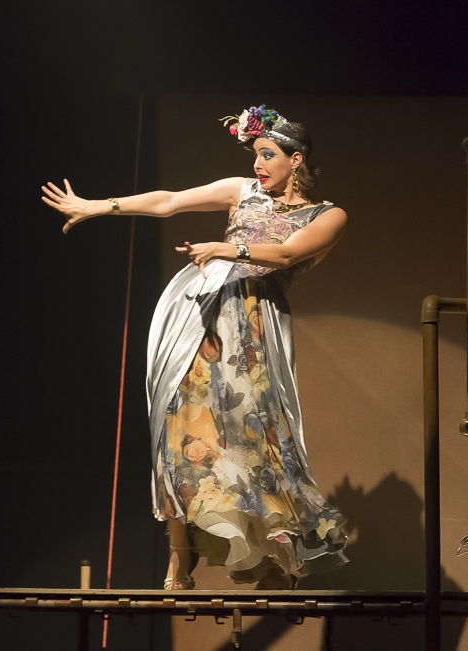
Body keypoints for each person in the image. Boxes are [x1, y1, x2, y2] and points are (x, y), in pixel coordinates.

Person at [41, 104, 348, 590]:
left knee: (254, 433)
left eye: (267, 154)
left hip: (253, 321)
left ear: (296, 159)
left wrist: (228, 248)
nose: (257, 164)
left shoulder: (327, 214)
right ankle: (179, 558)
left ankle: (272, 555)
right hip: (201, 314)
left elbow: (288, 253)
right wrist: (98, 206)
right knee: (182, 424)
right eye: (255, 154)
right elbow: (170, 201)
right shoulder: (241, 191)